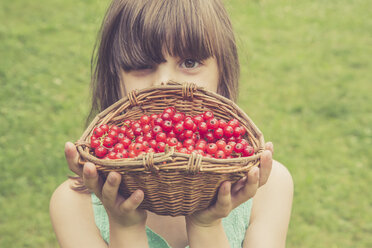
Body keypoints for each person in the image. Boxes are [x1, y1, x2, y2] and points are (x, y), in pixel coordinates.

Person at [49, 0, 294, 247]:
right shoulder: (73, 206)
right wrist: (126, 227)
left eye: (190, 62)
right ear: (115, 75)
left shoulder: (269, 189)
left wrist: (205, 225)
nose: (165, 83)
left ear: (223, 71)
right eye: (142, 65)